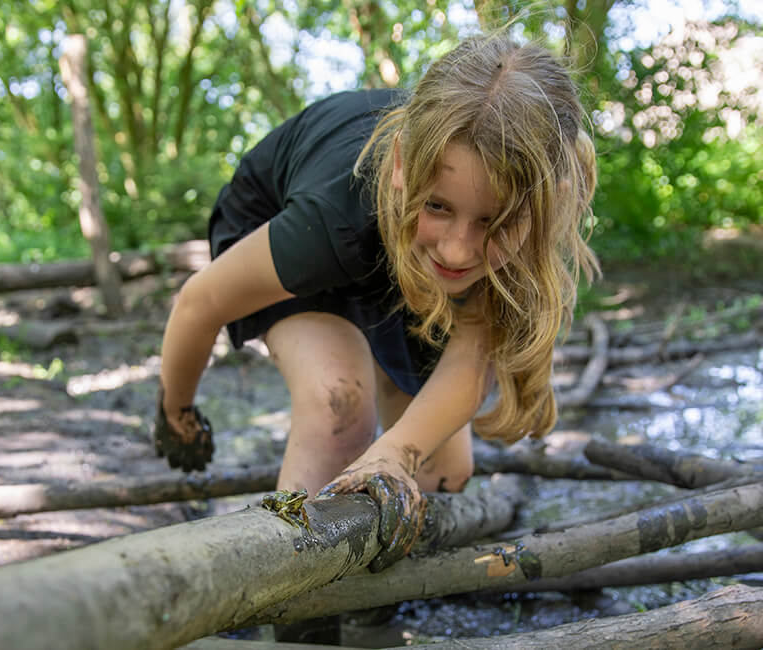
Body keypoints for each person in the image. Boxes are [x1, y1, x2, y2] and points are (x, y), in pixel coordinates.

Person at [153, 32, 600, 574]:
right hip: (295, 235)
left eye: (494, 221)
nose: (461, 248)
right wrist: (176, 412)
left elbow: (470, 357)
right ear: (399, 167)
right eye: (440, 206)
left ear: (542, 210)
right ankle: (305, 607)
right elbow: (199, 302)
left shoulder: (501, 242)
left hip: (403, 259)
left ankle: (368, 590)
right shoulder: (329, 224)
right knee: (338, 403)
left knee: (443, 471)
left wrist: (396, 456)